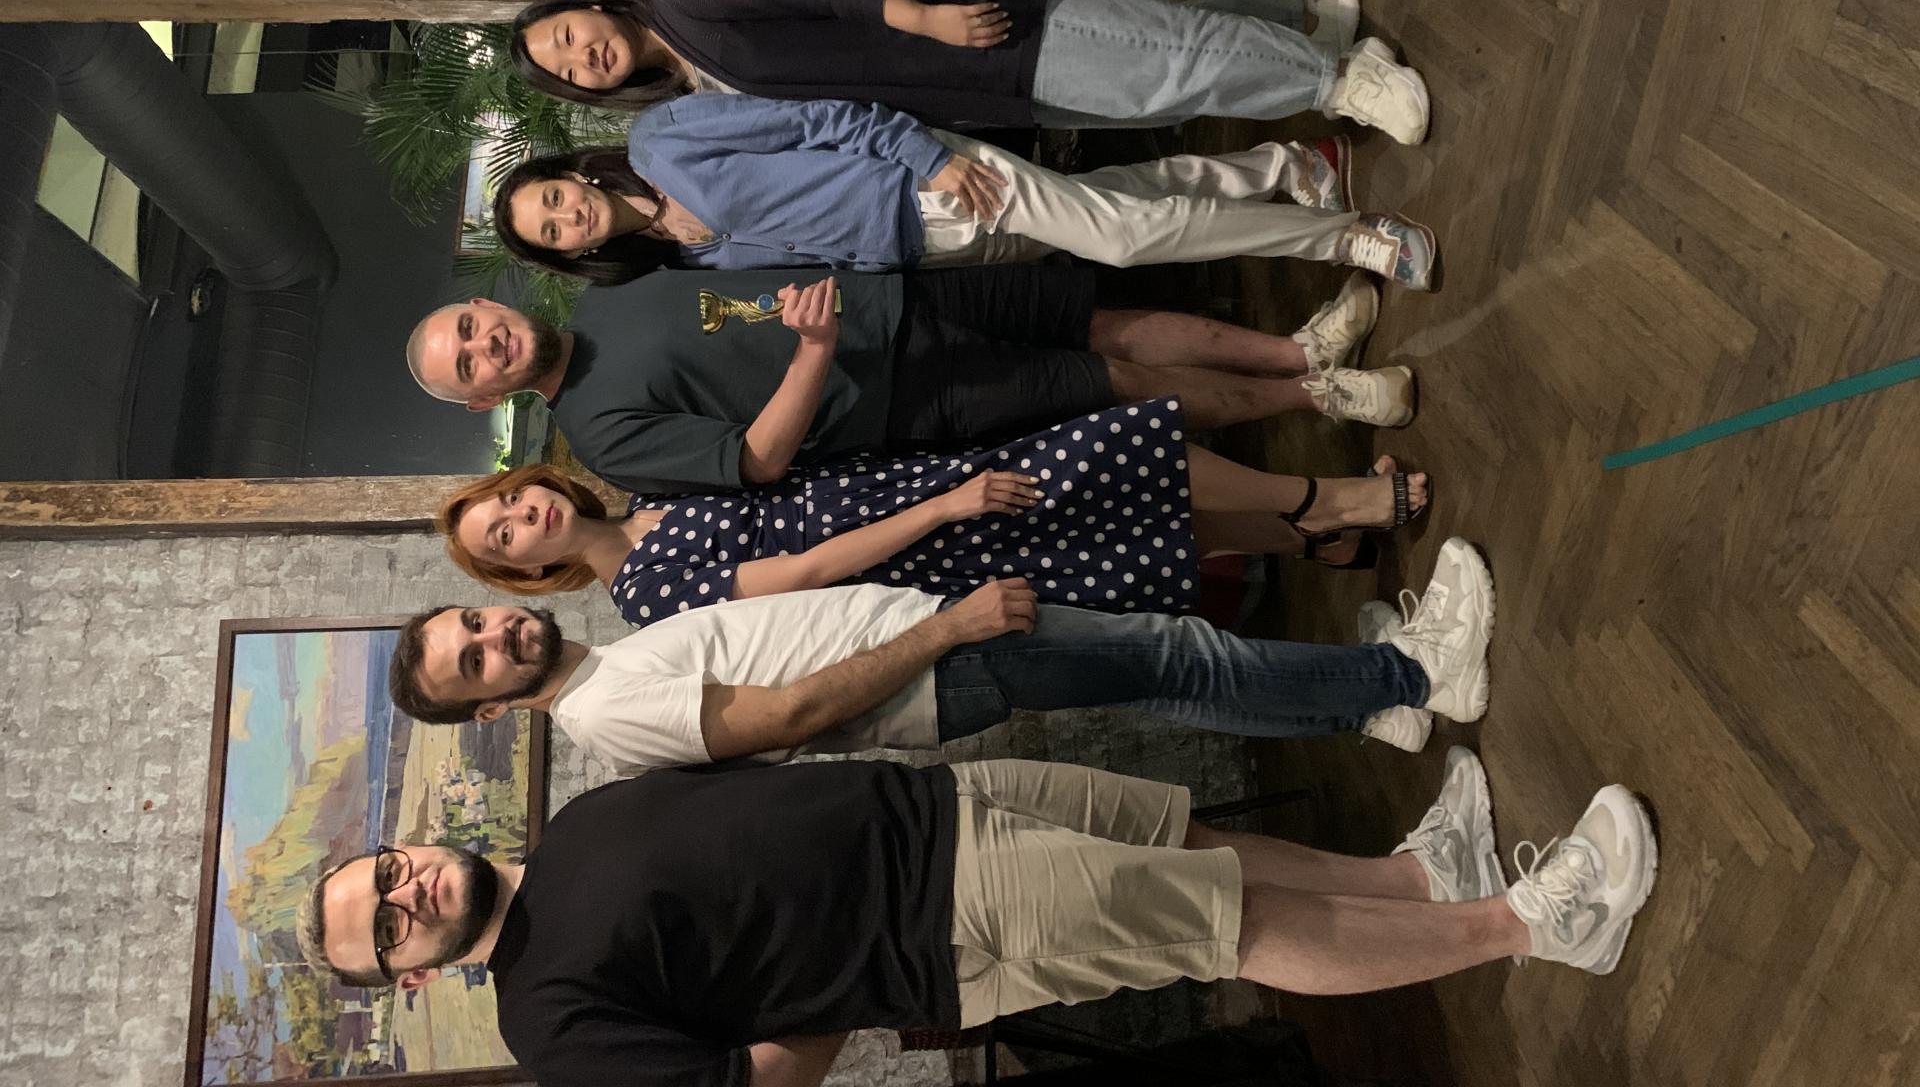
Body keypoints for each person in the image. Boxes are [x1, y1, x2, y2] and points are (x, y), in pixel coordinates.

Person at [297, 747, 1658, 1087]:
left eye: (387, 873)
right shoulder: (545, 1027)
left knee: (1188, 844)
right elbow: (745, 1083)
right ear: (409, 979)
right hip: (940, 926)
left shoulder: (579, 826)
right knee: (1219, 928)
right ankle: (1529, 927)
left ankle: (1415, 878)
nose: (408, 893)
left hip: (942, 804)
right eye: (387, 927)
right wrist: (842, 973)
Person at [383, 536, 1495, 773]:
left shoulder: (602, 673)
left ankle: (1365, 707)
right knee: (1181, 655)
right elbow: (786, 717)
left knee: (1167, 676)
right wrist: (946, 629)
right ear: (491, 712)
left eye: (472, 624)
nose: (494, 636)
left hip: (933, 660)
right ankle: (1418, 673)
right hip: (939, 665)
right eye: (473, 664)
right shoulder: (601, 713)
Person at [404, 264, 1418, 495]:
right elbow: (755, 461)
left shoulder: (607, 293)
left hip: (896, 295)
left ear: (486, 303)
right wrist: (814, 352)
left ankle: (1298, 350)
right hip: (902, 398)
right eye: (469, 366)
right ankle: (1318, 397)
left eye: (471, 327)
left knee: (1095, 317)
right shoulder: (601, 439)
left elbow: (731, 284)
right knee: (1112, 381)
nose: (486, 345)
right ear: (485, 399)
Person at [435, 394, 1429, 612]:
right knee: (1126, 453)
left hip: (905, 491)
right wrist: (946, 510)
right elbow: (804, 572)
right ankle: (1345, 500)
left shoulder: (644, 497)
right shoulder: (644, 591)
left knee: (1129, 505)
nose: (523, 517)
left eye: (507, 501)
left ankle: (1318, 532)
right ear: (531, 570)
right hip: (921, 548)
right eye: (506, 538)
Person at [508, 0, 1431, 144]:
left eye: (567, 35)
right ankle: (1304, 23)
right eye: (568, 70)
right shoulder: (689, 78)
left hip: (965, 28)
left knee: (1157, 68)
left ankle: (1342, 80)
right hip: (968, 84)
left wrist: (924, 19)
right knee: (1154, 64)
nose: (582, 57)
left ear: (589, 5)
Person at [484, 101, 1438, 281]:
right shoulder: (683, 264)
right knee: (1119, 202)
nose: (567, 216)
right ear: (576, 252)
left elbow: (816, 117)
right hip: (928, 250)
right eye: (553, 233)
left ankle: (1349, 238)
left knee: (1123, 240)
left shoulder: (661, 140)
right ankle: (1284, 168)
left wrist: (925, 156)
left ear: (571, 175)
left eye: (552, 199)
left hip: (928, 180)